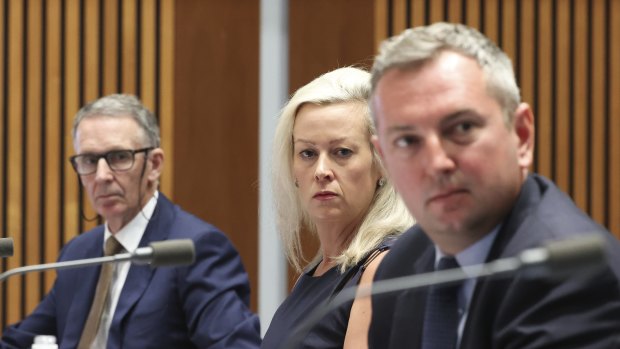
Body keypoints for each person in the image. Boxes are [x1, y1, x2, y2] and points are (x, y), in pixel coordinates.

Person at [367, 22, 620, 348]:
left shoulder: (570, 276)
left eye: (462, 127)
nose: (436, 163)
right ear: (384, 158)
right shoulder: (402, 264)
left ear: (522, 135)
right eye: (407, 141)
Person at [1, 94, 261, 348]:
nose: (102, 175)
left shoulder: (192, 249)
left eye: (119, 157)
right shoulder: (79, 253)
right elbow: (19, 341)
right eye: (89, 161)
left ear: (154, 165)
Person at [261, 67, 414, 349]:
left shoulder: (383, 268)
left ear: (381, 162)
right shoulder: (318, 272)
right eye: (307, 153)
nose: (321, 171)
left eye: (341, 152)